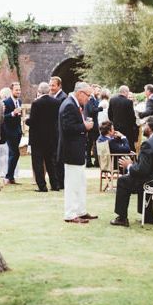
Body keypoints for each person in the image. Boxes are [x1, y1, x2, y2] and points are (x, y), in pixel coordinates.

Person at [110, 115, 153, 227]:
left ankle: (122, 218)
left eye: (145, 125)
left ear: (150, 127)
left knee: (123, 181)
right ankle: (147, 217)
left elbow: (142, 170)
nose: (143, 127)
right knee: (140, 179)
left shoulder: (149, 143)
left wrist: (129, 165)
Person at [57, 81, 98, 224]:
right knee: (72, 184)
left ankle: (81, 210)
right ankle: (70, 213)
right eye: (88, 95)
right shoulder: (69, 105)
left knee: (80, 183)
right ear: (80, 93)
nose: (88, 99)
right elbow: (67, 128)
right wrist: (84, 126)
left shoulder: (73, 104)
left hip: (76, 150)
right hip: (71, 150)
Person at [26, 82, 61, 192]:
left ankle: (42, 185)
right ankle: (55, 184)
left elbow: (33, 121)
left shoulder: (36, 103)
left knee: (38, 162)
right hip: (51, 137)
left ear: (39, 91)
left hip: (38, 138)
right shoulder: (56, 102)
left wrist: (26, 120)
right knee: (51, 162)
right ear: (48, 91)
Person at [3, 81, 23, 184]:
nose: (18, 91)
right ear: (11, 90)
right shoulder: (6, 102)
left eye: (19, 89)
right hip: (9, 132)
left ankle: (11, 177)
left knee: (13, 154)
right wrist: (12, 113)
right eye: (16, 90)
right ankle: (8, 176)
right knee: (15, 153)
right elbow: (3, 118)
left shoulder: (19, 101)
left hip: (18, 131)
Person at [49, 75, 67, 189]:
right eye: (50, 85)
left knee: (58, 158)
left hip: (58, 132)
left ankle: (60, 182)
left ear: (59, 85)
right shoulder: (54, 97)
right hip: (54, 132)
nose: (51, 88)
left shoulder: (62, 98)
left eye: (53, 85)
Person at [84, 84, 101, 168]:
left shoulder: (95, 99)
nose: (99, 92)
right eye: (97, 90)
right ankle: (88, 161)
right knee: (90, 143)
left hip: (94, 123)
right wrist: (101, 108)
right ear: (93, 90)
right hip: (91, 124)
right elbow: (91, 110)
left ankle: (95, 161)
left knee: (93, 143)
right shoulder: (90, 99)